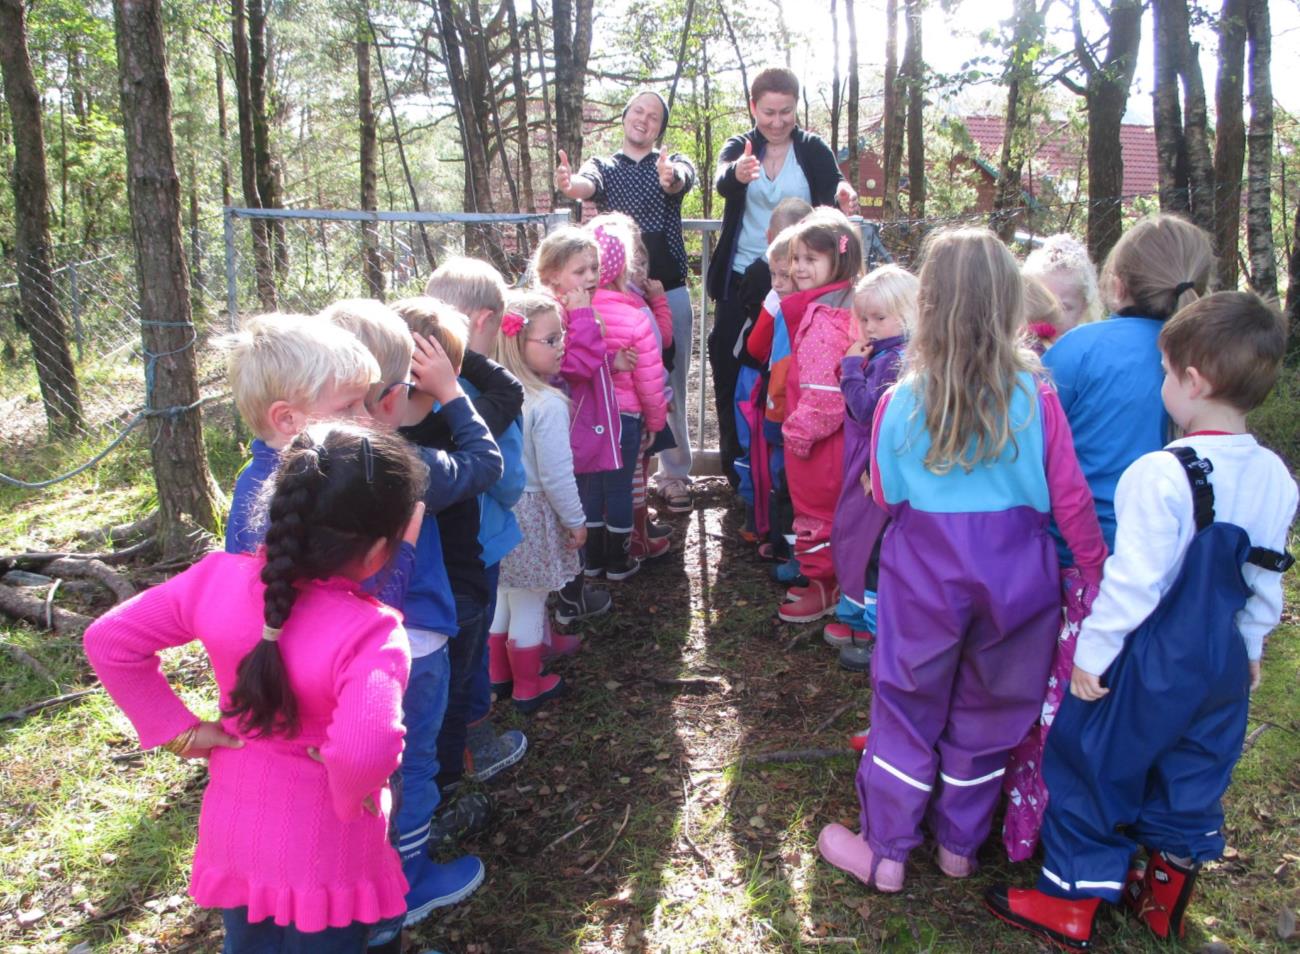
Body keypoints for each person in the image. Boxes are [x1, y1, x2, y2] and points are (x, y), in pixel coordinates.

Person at [987, 292, 1297, 950]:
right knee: (1193, 771)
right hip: (1219, 660)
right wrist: (1250, 647)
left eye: (1164, 372)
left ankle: (1070, 902)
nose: (1161, 386)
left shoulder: (1160, 472)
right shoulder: (1276, 475)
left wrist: (1093, 657)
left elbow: (1134, 583)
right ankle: (1162, 899)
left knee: (1094, 763)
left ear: (1193, 381)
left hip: (1149, 656)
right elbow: (1266, 575)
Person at [817, 227, 1106, 894]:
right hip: (1020, 578)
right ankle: (958, 844)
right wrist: (1094, 570)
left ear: (931, 306)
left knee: (906, 705)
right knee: (990, 709)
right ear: (1010, 302)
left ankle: (885, 851)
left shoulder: (899, 398)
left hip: (924, 575)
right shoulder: (1037, 393)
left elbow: (885, 493)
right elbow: (1070, 495)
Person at [84, 425, 426, 952]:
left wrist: (178, 732)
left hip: (236, 827)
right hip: (328, 846)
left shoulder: (212, 579)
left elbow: (110, 640)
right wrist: (347, 791)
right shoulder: (373, 631)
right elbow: (366, 748)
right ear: (381, 550)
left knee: (246, 941)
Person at [708, 67, 857, 488]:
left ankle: (791, 477)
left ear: (796, 109)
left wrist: (844, 192)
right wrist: (737, 173)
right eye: (768, 112)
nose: (776, 122)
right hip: (742, 278)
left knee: (792, 372)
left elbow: (834, 185)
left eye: (786, 112)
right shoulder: (741, 145)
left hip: (797, 281)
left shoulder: (811, 149)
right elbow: (723, 179)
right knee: (730, 363)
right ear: (754, 108)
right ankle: (738, 471)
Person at [554, 89, 697, 514]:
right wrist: (571, 186)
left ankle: (674, 474)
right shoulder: (605, 165)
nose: (644, 119)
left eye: (654, 116)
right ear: (625, 116)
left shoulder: (670, 164)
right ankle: (616, 472)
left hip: (665, 288)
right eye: (638, 111)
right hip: (614, 294)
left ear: (660, 127)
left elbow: (680, 178)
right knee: (616, 379)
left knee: (669, 381)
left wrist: (671, 177)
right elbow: (585, 184)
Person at [1043, 214, 1213, 550]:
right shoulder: (1212, 356)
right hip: (1174, 550)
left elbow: (1028, 441)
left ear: (1118, 285)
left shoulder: (1078, 349)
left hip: (1077, 551)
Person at [423, 259, 531, 784]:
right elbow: (507, 479)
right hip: (477, 545)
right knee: (467, 644)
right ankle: (473, 745)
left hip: (425, 553)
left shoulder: (410, 387)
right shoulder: (480, 400)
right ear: (485, 320)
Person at [489, 292, 589, 713]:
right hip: (532, 515)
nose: (561, 344)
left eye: (562, 335)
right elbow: (555, 475)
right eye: (550, 339)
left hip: (497, 514)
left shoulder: (491, 397)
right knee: (529, 600)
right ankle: (529, 684)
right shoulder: (546, 404)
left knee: (502, 595)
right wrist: (576, 520)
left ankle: (497, 674)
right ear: (517, 343)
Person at [220, 313, 378, 554]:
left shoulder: (251, 479)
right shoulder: (316, 493)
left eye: (364, 402)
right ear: (287, 419)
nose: (367, 419)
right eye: (348, 407)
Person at [823, 265, 917, 660]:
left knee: (865, 539)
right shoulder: (889, 355)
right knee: (857, 535)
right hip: (869, 460)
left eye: (880, 318)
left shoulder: (891, 362)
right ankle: (859, 616)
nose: (870, 327)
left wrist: (848, 369)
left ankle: (870, 625)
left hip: (873, 466)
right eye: (864, 318)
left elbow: (866, 410)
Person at [777, 210, 862, 623]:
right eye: (795, 258)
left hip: (819, 442)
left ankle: (824, 585)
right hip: (841, 438)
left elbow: (825, 395)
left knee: (817, 511)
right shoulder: (844, 305)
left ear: (838, 261)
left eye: (811, 259)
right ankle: (835, 583)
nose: (798, 267)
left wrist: (796, 433)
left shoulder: (826, 318)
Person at [531, 226, 620, 624]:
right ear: (551, 275)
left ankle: (568, 592)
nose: (590, 278)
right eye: (579, 271)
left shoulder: (562, 311)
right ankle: (570, 598)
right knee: (572, 514)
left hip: (577, 425)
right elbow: (577, 365)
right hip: (569, 432)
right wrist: (584, 315)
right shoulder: (556, 316)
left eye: (594, 269)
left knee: (572, 511)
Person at [584, 216, 668, 581]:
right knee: (619, 487)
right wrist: (655, 422)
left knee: (588, 485)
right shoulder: (637, 316)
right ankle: (619, 561)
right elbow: (649, 377)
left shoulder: (574, 313)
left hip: (585, 416)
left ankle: (590, 560)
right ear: (623, 271)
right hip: (627, 418)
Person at [733, 196, 813, 547]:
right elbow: (754, 348)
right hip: (765, 390)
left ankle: (789, 543)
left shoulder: (814, 302)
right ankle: (761, 521)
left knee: (789, 469)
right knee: (763, 456)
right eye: (776, 274)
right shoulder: (770, 293)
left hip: (795, 398)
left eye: (787, 273)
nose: (780, 282)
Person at [1023, 234, 1104, 332]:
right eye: (1041, 303)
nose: (1050, 315)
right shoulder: (1013, 342)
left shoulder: (1086, 344)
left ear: (1083, 309)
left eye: (1063, 308)